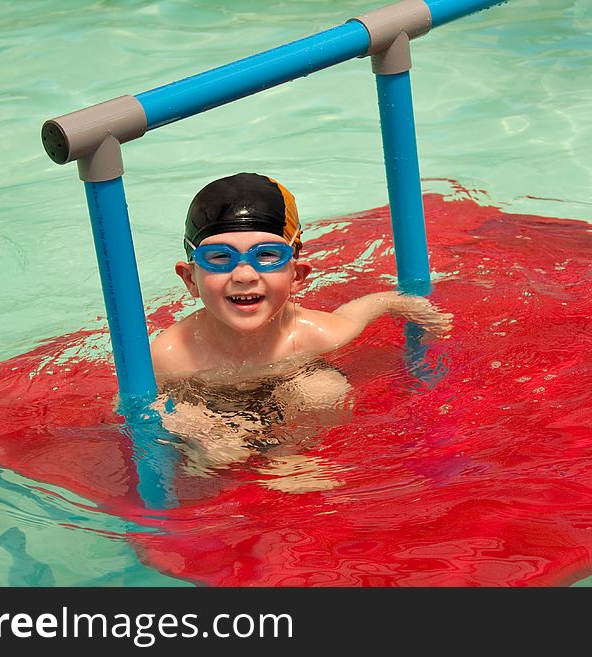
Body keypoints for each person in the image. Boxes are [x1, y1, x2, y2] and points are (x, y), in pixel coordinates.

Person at [149, 173, 451, 479]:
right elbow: (143, 405)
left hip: (290, 391)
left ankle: (287, 457)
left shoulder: (313, 334)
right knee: (215, 459)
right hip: (206, 402)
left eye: (266, 255)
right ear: (190, 279)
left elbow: (352, 315)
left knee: (326, 390)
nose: (243, 275)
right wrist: (197, 427)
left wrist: (395, 302)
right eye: (219, 257)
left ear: (297, 276)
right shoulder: (171, 354)